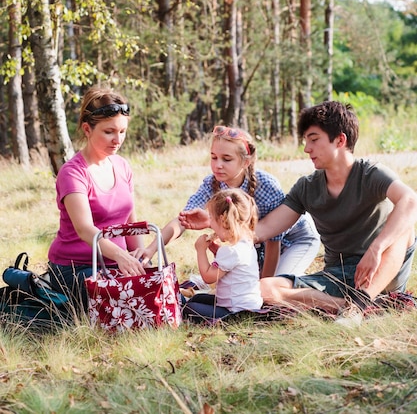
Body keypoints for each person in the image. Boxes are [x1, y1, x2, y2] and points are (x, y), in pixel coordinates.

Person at [180, 101, 417, 326]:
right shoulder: (307, 187)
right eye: (305, 141)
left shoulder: (370, 173)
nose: (306, 149)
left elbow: (410, 200)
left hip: (383, 269)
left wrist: (376, 249)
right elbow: (262, 231)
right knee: (263, 289)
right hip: (338, 275)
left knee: (405, 228)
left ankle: (361, 304)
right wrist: (216, 221)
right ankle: (353, 307)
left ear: (340, 140)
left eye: (313, 140)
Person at [140, 125, 320, 278]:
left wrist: (262, 291)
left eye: (226, 159)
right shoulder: (212, 184)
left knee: (276, 290)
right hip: (257, 245)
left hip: (296, 240)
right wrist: (150, 249)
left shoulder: (266, 186)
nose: (218, 165)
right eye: (213, 157)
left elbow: (274, 242)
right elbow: (182, 221)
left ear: (245, 162)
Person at [48, 85, 146, 312]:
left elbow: (130, 222)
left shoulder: (122, 166)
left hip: (117, 264)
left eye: (122, 131)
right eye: (109, 131)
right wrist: (122, 256)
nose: (117, 139)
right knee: (129, 301)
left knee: (154, 288)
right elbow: (85, 229)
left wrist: (140, 258)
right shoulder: (72, 173)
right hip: (75, 268)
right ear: (87, 129)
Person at [182, 188, 263, 322]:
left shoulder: (230, 251)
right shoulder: (246, 244)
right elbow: (228, 269)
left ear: (222, 220)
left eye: (211, 219)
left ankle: (229, 321)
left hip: (236, 311)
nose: (210, 225)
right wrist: (216, 252)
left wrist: (200, 250)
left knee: (189, 308)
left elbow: (209, 277)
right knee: (197, 299)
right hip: (248, 305)